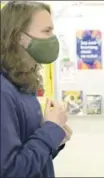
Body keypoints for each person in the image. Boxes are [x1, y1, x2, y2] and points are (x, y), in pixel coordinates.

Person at [1, 1, 72, 177]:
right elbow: (11, 171)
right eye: (46, 31)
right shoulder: (3, 92)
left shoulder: (22, 83)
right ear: (19, 37)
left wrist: (55, 137)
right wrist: (50, 129)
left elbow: (32, 162)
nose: (53, 38)